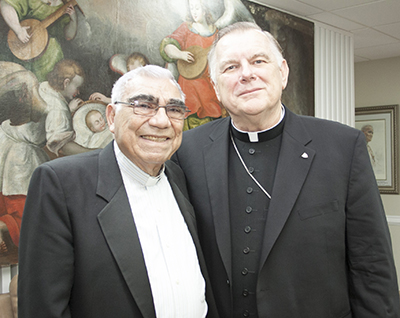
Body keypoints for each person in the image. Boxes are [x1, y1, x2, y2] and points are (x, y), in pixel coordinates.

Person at [172, 22, 400, 318]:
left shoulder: (342, 146)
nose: (246, 74)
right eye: (230, 67)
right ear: (215, 86)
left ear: (283, 72)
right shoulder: (186, 150)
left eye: (258, 61)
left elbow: (371, 263)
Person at [18, 65, 219, 318]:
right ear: (111, 117)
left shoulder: (180, 177)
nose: (161, 120)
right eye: (144, 106)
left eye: (175, 109)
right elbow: (42, 309)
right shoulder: (60, 184)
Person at [0, 0, 78, 82]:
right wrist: (18, 29)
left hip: (48, 57)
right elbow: (4, 4)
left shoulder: (63, 7)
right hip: (16, 45)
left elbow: (68, 36)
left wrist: (74, 20)